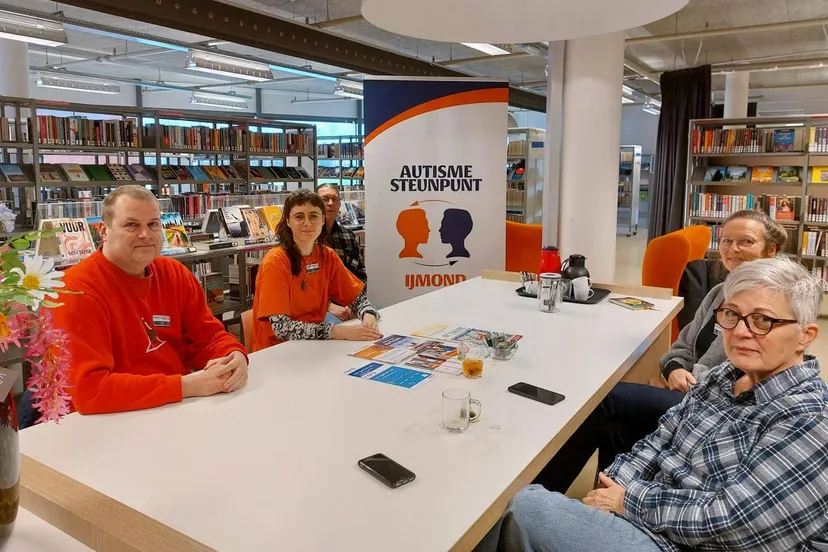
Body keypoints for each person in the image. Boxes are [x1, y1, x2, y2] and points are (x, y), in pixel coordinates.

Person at [477, 256, 828, 552]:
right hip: (657, 517)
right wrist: (611, 491)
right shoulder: (723, 376)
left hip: (690, 542)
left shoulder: (809, 420)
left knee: (519, 506)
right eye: (732, 315)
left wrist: (629, 501)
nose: (739, 332)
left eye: (763, 320)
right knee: (507, 499)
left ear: (805, 336)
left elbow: (735, 522)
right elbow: (660, 438)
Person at [536, 209, 788, 493]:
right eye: (727, 241)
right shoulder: (720, 292)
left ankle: (539, 491)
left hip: (719, 408)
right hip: (689, 392)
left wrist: (686, 382)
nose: (733, 249)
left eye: (746, 242)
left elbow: (746, 375)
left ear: (770, 250)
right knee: (616, 427)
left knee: (605, 400)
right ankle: (607, 495)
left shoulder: (774, 305)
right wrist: (674, 369)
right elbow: (680, 347)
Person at [53, 185, 249, 415]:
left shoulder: (174, 272)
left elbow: (207, 336)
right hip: (112, 421)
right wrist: (187, 386)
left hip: (175, 407)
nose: (146, 234)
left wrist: (233, 356)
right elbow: (91, 392)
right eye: (132, 224)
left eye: (153, 224)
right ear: (103, 231)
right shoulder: (75, 290)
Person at [252, 189, 381, 352]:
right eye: (299, 216)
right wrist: (336, 331)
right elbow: (282, 328)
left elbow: (357, 299)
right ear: (288, 221)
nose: (307, 223)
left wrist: (368, 315)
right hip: (276, 351)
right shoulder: (275, 262)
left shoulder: (327, 255)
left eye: (313, 216)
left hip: (315, 346)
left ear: (322, 220)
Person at [317, 185, 367, 322]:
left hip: (349, 304)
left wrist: (354, 303)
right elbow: (302, 286)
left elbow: (360, 275)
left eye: (335, 199)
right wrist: (328, 306)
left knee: (376, 318)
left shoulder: (348, 236)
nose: (330, 203)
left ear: (339, 205)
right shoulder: (308, 238)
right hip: (320, 308)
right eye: (324, 199)